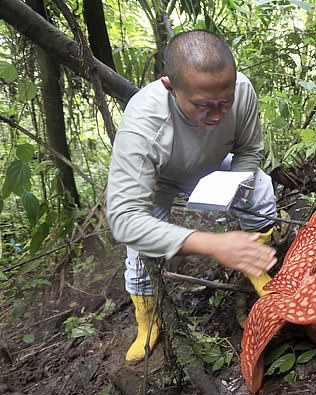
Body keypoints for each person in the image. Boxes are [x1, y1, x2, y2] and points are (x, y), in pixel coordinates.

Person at [107, 30, 278, 364]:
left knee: (260, 188)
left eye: (223, 103)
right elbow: (125, 220)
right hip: (159, 183)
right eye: (203, 106)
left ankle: (258, 267)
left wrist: (234, 184)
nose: (216, 115)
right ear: (170, 86)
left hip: (214, 170)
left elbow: (249, 149)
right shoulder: (143, 125)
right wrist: (212, 243)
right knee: (141, 252)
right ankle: (147, 320)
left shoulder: (241, 91)